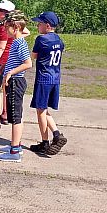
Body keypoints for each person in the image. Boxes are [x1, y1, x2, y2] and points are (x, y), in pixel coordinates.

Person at [0, 11, 32, 163]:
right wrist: (5, 66)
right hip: (13, 81)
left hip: (16, 82)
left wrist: (10, 72)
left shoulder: (19, 42)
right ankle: (15, 145)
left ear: (15, 27)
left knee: (16, 117)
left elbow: (28, 63)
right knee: (15, 115)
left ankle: (14, 150)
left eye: (8, 28)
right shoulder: (17, 41)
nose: (6, 31)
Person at [29, 11, 67, 156]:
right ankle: (57, 135)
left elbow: (33, 57)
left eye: (40, 23)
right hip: (55, 78)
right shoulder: (59, 40)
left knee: (40, 111)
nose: (38, 25)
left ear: (48, 25)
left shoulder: (41, 39)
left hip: (43, 78)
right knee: (44, 110)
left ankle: (45, 142)